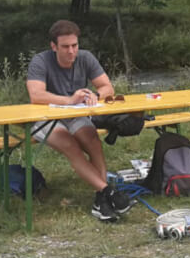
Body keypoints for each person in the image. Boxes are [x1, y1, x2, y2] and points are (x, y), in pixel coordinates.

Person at [26, 19, 134, 222]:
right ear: (53, 46)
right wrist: (68, 100)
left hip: (75, 114)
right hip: (44, 117)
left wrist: (95, 95)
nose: (71, 51)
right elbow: (36, 95)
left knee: (93, 141)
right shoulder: (40, 61)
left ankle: (100, 201)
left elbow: (107, 87)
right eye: (65, 47)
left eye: (74, 45)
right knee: (70, 145)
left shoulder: (85, 58)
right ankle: (107, 192)